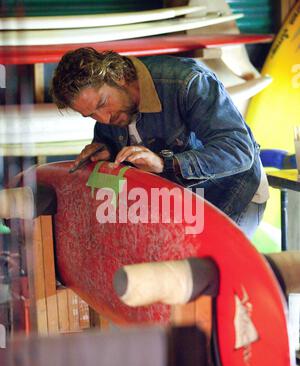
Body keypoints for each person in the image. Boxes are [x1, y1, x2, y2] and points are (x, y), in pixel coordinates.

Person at [50, 47, 269, 238]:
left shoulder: (188, 81)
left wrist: (167, 165)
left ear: (118, 77)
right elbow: (113, 140)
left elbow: (238, 150)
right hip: (178, 204)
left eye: (103, 103)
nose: (104, 119)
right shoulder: (110, 110)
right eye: (91, 116)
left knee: (206, 274)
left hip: (232, 194)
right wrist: (105, 148)